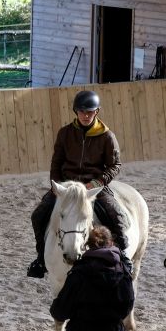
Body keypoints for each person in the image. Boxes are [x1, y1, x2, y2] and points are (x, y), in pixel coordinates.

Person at [27, 90, 132, 278]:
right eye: (82, 111)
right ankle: (41, 258)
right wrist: (57, 185)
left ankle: (123, 256)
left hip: (93, 187)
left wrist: (98, 182)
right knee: (39, 215)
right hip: (66, 187)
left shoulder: (107, 136)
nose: (85, 115)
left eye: (89, 112)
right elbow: (56, 162)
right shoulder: (65, 133)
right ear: (76, 111)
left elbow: (115, 165)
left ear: (96, 112)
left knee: (117, 215)